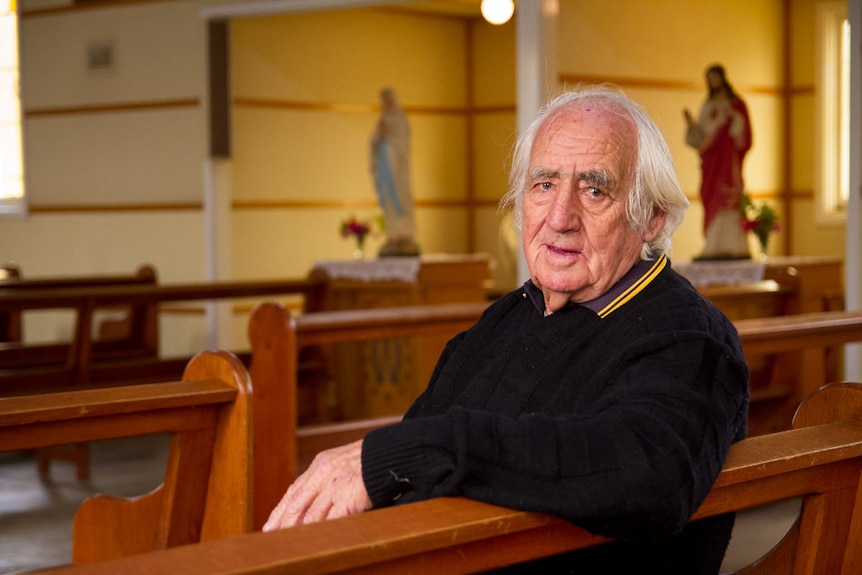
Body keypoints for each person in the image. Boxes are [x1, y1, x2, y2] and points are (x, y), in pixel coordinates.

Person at [265, 86, 750, 574]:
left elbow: (648, 474)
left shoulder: (689, 337)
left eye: (594, 189)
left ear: (651, 217)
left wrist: (428, 451)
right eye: (543, 185)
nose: (560, 218)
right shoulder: (508, 317)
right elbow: (412, 475)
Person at [684, 64, 753, 259]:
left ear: (723, 78)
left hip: (727, 160)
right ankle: (713, 245)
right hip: (711, 162)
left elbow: (744, 136)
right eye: (710, 79)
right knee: (711, 196)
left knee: (728, 197)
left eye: (716, 77)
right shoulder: (707, 105)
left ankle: (734, 245)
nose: (713, 82)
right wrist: (691, 126)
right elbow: (700, 138)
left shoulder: (736, 103)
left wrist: (733, 117)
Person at [370, 87, 420, 257]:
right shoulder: (382, 119)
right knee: (387, 199)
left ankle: (404, 234)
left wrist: (390, 138)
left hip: (397, 166)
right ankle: (392, 234)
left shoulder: (400, 118)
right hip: (384, 162)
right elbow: (374, 140)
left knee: (400, 197)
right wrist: (380, 134)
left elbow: (404, 142)